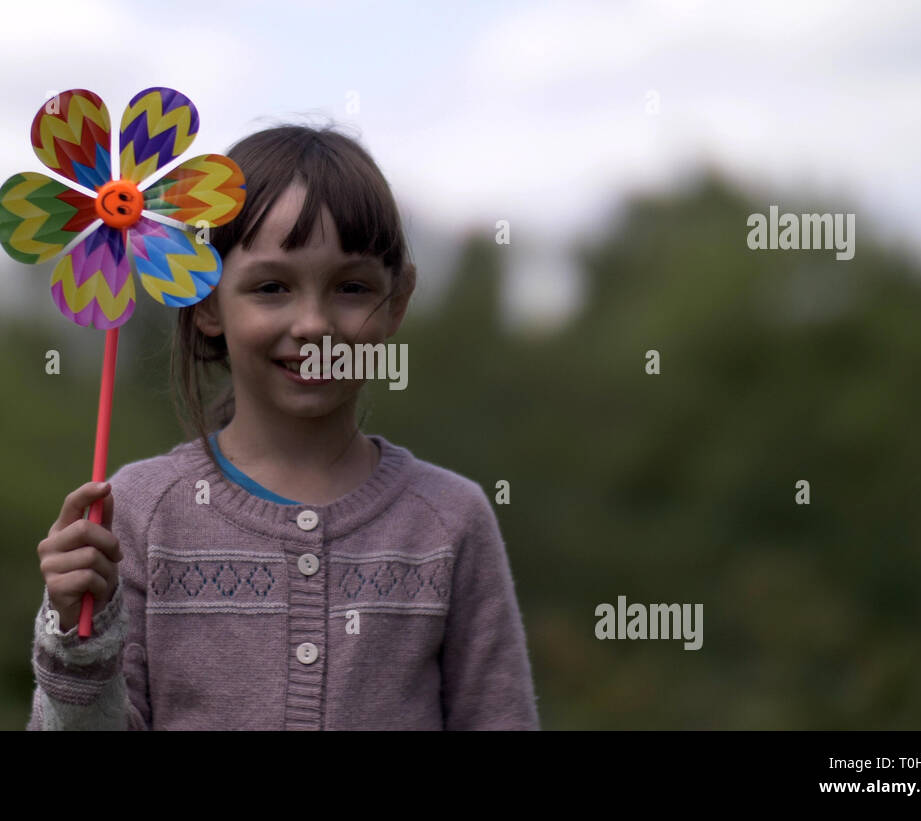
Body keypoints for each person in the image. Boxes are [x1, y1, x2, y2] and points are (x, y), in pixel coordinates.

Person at [27, 123, 539, 730]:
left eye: (352, 288)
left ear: (397, 301)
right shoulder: (136, 515)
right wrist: (77, 644)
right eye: (272, 287)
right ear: (208, 302)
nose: (314, 324)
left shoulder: (451, 519)